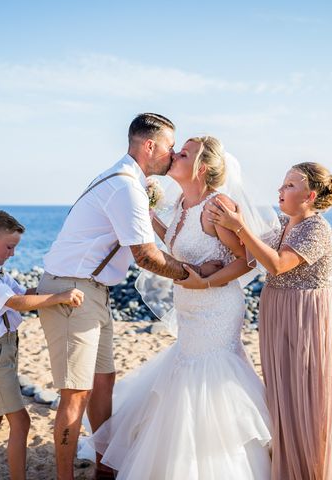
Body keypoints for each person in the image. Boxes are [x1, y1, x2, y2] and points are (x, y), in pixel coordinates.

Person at [37, 114, 221, 480]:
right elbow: (145, 256)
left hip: (92, 289)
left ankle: (106, 465)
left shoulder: (125, 180)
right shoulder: (125, 187)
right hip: (71, 291)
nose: (173, 154)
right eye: (171, 147)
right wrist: (195, 276)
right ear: (150, 146)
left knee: (105, 380)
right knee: (76, 393)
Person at [90, 136, 276, 479]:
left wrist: (205, 281)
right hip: (189, 306)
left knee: (205, 378)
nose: (174, 154)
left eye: (184, 153)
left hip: (216, 308)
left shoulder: (217, 206)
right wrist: (148, 216)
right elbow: (174, 239)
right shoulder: (182, 206)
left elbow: (247, 261)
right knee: (182, 373)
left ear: (201, 168)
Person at [207, 163, 332, 479]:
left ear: (310, 195)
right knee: (282, 390)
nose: (280, 190)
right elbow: (251, 254)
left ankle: (315, 468)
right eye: (283, 183)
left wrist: (240, 227)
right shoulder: (279, 225)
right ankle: (291, 462)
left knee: (313, 393)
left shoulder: (317, 229)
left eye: (289, 185)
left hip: (309, 313)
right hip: (278, 309)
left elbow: (277, 264)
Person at [0, 210, 84, 480]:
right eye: (10, 247)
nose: (13, 254)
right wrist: (59, 297)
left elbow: (24, 294)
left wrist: (57, 287)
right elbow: (15, 303)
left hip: (1, 352)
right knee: (21, 421)